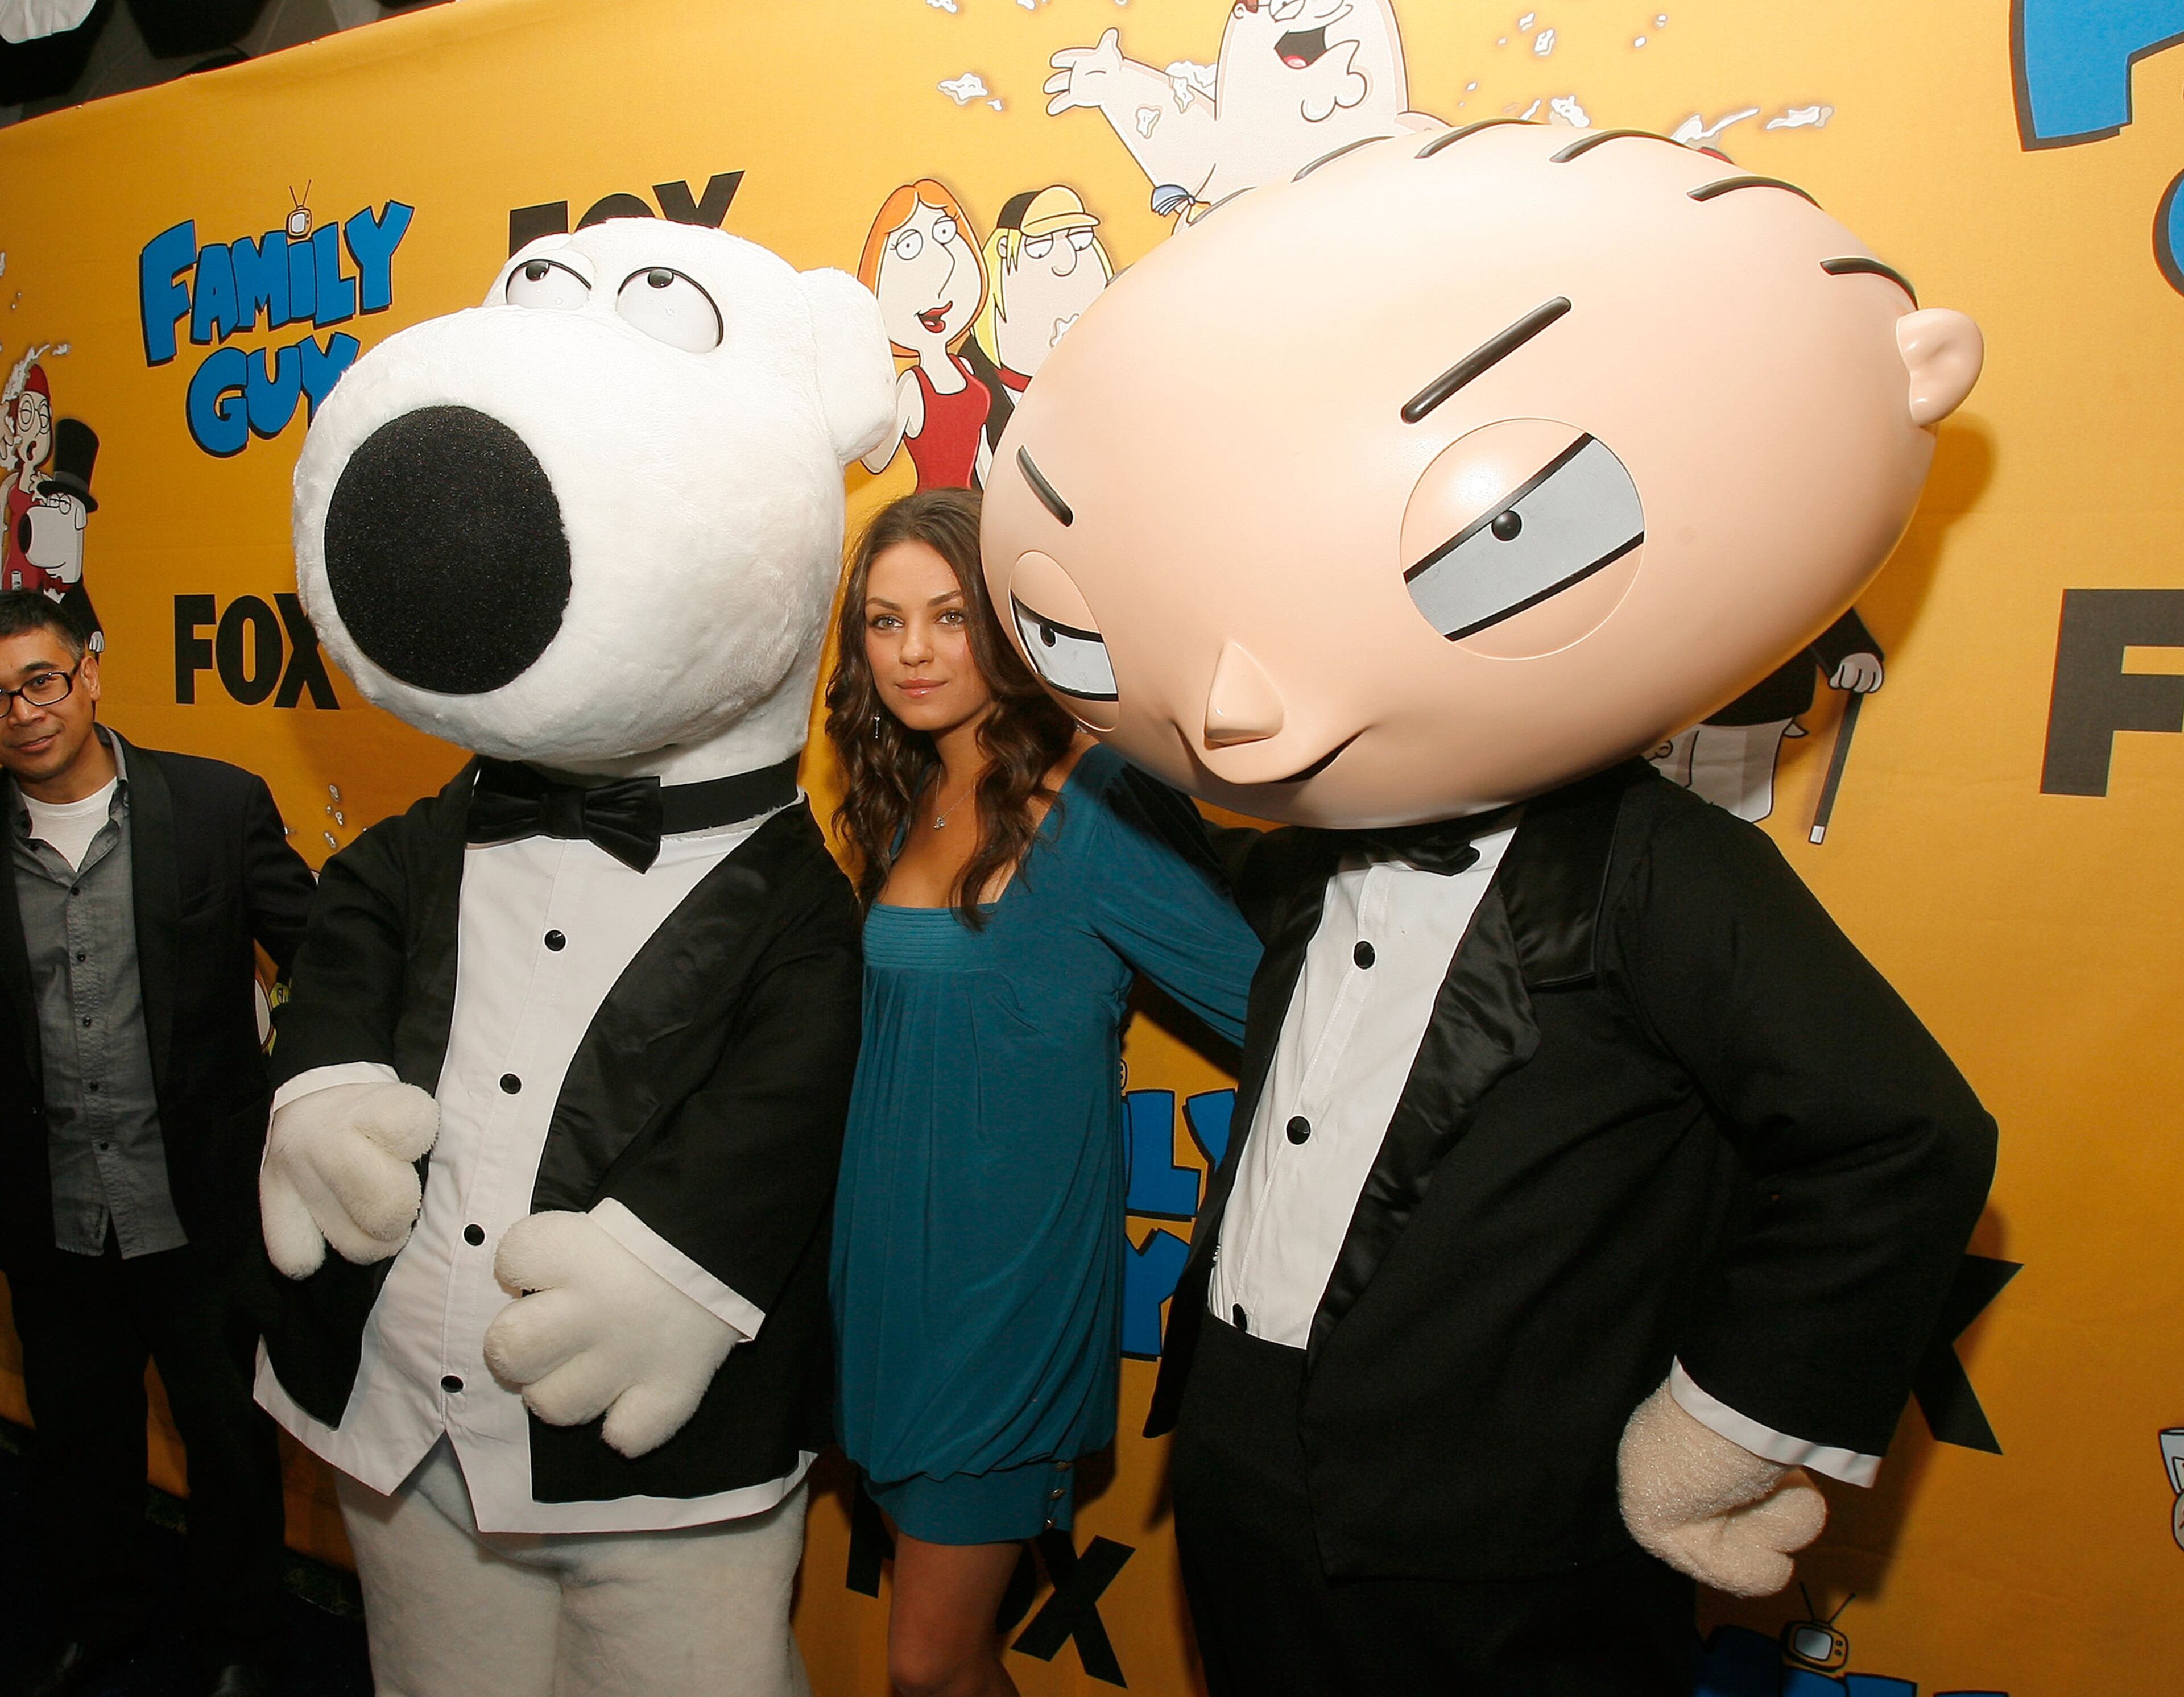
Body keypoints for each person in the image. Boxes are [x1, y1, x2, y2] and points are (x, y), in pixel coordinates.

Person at [978, 122, 1995, 1694]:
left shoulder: (1656, 869)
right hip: (1246, 1484)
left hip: (1510, 1543)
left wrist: (1719, 1427)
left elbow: (1901, 1138)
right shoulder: (1311, 849)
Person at [824, 490, 1260, 1697]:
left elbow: (1269, 1007)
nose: (912, 650)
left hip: (1005, 1292)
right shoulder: (903, 793)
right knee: (950, 1662)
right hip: (890, 1277)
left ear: (1012, 628)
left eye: (951, 616)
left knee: (925, 1664)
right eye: (883, 620)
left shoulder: (1096, 801)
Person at [0, 590, 316, 1697]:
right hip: (53, 1214)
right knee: (78, 1447)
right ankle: (104, 1617)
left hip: (204, 1206)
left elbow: (319, 958)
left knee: (228, 1443)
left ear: (89, 672)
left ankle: (241, 1643)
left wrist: (291, 1113)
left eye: (42, 680)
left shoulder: (215, 806)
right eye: (0, 697)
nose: (25, 711)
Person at [857, 181, 995, 492]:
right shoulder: (911, 387)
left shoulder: (966, 368)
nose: (941, 268)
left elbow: (983, 453)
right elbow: (876, 462)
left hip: (974, 511)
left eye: (946, 233)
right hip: (934, 519)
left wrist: (998, 505)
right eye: (908, 247)